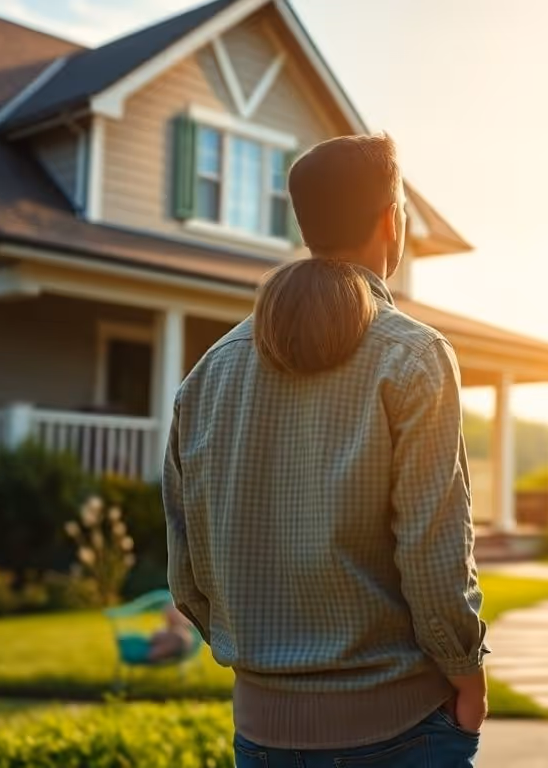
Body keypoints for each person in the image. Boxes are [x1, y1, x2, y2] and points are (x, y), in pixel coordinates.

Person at [164, 133, 487, 768]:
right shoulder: (415, 356)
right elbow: (433, 550)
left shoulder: (210, 372)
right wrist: (467, 674)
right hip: (403, 730)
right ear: (391, 221)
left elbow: (187, 571)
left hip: (261, 737)